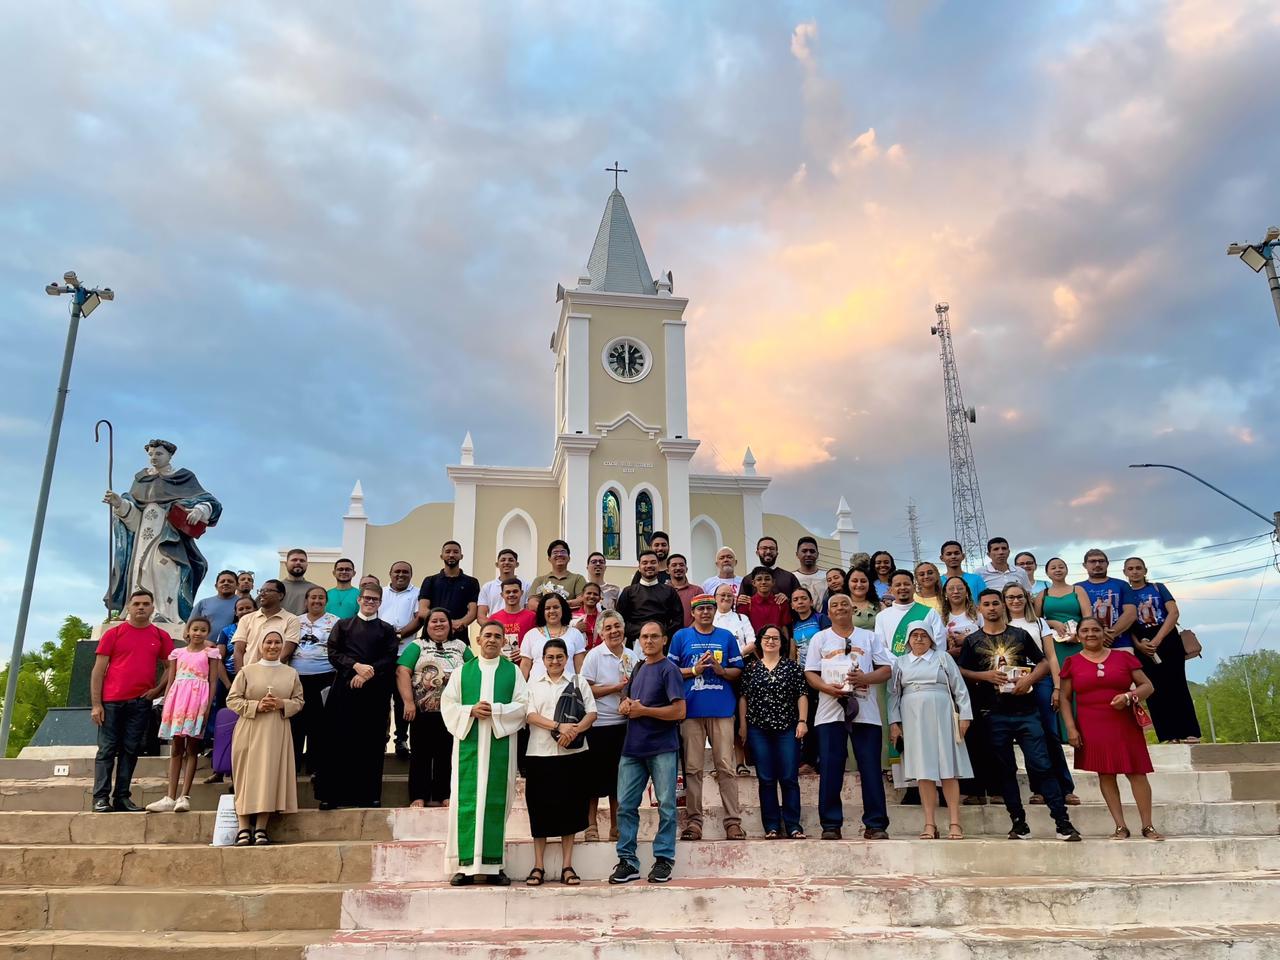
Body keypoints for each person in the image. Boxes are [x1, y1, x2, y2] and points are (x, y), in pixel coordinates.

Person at [957, 590, 1081, 841]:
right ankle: (1018, 823)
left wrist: (1030, 680)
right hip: (993, 714)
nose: (991, 608)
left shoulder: (1020, 634)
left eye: (995, 603)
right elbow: (961, 670)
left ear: (1003, 606)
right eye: (986, 604)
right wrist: (985, 676)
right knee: (1005, 770)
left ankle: (1062, 822)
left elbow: (1044, 662)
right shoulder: (972, 641)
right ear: (979, 609)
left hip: (1026, 711)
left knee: (1042, 765)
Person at [442, 620, 529, 886]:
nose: (492, 640)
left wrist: (496, 711)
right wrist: (470, 711)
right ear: (478, 640)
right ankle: (463, 865)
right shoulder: (461, 672)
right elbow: (448, 704)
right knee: (465, 803)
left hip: (499, 745)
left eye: (497, 636)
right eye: (487, 635)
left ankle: (493, 866)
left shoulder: (513, 672)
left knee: (495, 803)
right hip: (468, 746)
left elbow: (524, 705)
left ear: (504, 641)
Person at [1060, 617, 1163, 840]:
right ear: (1078, 635)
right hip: (1091, 724)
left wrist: (1129, 696)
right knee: (1105, 773)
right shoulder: (1071, 662)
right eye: (1085, 630)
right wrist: (1071, 728)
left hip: (1123, 722)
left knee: (1137, 772)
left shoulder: (1123, 657)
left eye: (1095, 630)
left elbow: (1148, 686)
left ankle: (1148, 826)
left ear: (1103, 633)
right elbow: (1065, 698)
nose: (1090, 634)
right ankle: (1120, 826)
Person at [804, 593, 894, 840]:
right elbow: (810, 673)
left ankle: (876, 824)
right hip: (829, 712)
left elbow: (886, 669)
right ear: (828, 612)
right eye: (834, 605)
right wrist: (826, 687)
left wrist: (864, 678)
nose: (840, 608)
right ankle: (831, 825)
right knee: (831, 768)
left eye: (844, 603)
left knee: (870, 768)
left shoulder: (869, 637)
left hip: (866, 712)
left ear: (852, 608)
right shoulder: (819, 638)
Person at [103, 438, 222, 624]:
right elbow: (133, 517)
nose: (153, 457)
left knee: (165, 568)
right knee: (139, 569)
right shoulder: (141, 478)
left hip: (169, 536)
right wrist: (120, 504)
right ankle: (134, 613)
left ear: (169, 455)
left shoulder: (183, 477)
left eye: (158, 454)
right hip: (142, 536)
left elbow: (208, 501)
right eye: (151, 454)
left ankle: (166, 612)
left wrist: (200, 510)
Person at [610, 621, 687, 885]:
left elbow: (679, 712)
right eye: (644, 637)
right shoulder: (640, 667)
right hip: (633, 748)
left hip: (663, 747)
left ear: (664, 640)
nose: (649, 641)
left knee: (666, 806)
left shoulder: (670, 670)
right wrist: (624, 704)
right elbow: (626, 694)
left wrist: (645, 711)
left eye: (655, 636)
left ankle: (664, 858)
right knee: (626, 806)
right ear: (639, 641)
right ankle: (627, 861)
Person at [314, 584, 399, 809]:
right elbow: (333, 653)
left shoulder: (387, 629)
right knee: (338, 740)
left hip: (375, 692)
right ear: (359, 600)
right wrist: (355, 667)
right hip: (344, 689)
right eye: (367, 598)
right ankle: (332, 795)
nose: (370, 602)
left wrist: (368, 672)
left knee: (370, 742)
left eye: (375, 599)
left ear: (380, 603)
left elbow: (390, 657)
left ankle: (368, 795)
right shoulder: (343, 626)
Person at [669, 594, 746, 841]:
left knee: (726, 767)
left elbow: (738, 671)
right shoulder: (681, 637)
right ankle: (694, 823)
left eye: (709, 608)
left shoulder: (725, 636)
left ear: (715, 611)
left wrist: (722, 671)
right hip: (691, 711)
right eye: (700, 608)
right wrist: (695, 670)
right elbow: (671, 672)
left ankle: (733, 822)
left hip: (722, 709)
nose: (705, 612)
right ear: (693, 612)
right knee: (692, 769)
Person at [888, 622, 973, 840]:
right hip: (913, 718)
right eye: (914, 635)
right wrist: (895, 722)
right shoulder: (900, 663)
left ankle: (955, 823)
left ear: (931, 639)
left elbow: (959, 688)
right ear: (908, 640)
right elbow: (893, 695)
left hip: (942, 715)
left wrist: (965, 716)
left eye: (923, 635)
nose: (918, 639)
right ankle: (929, 824)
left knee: (948, 768)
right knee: (923, 771)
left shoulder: (943, 658)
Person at [523, 638, 597, 886]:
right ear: (542, 660)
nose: (555, 661)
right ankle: (538, 866)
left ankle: (567, 866)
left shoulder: (579, 682)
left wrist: (573, 732)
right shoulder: (533, 685)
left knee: (571, 808)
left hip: (574, 754)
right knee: (540, 809)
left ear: (566, 658)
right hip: (540, 754)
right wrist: (558, 726)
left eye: (559, 657)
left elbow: (591, 713)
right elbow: (530, 715)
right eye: (550, 657)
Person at [90, 589, 171, 813]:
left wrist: (157, 690)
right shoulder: (113, 634)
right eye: (136, 604)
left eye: (146, 603)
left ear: (153, 608)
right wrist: (96, 704)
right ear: (129, 607)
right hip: (111, 702)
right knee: (106, 750)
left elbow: (170, 667)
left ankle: (122, 797)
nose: (141, 607)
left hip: (140, 703)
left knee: (131, 750)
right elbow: (98, 671)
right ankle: (100, 797)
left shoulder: (160, 636)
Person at [1002, 583, 1078, 806]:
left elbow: (1051, 656)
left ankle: (1065, 787)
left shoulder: (1038, 622)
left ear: (1026, 598)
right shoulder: (1002, 624)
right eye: (1010, 597)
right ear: (1004, 600)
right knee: (1028, 736)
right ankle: (1040, 789)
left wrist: (1057, 687)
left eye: (1019, 597)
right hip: (1013, 681)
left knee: (1049, 734)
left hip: (1041, 679)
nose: (1015, 601)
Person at [226, 629, 304, 845]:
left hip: (277, 730)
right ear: (260, 645)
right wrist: (256, 705)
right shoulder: (247, 671)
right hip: (250, 728)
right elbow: (232, 700)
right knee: (246, 776)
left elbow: (299, 702)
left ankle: (261, 828)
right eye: (268, 642)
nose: (272, 646)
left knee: (269, 777)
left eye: (277, 642)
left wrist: (282, 704)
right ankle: (243, 827)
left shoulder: (291, 674)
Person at [146, 616, 225, 813]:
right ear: (187, 632)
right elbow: (171, 681)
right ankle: (170, 796)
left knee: (192, 748)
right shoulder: (176, 653)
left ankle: (184, 795)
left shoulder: (211, 653)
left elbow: (213, 681)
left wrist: (207, 706)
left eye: (203, 630)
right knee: (176, 748)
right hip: (177, 701)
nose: (198, 633)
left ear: (207, 633)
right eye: (195, 629)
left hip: (197, 700)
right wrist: (166, 704)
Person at [397, 608, 474, 807]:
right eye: (434, 621)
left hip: (453, 711)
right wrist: (408, 702)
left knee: (447, 753)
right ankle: (418, 796)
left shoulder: (460, 645)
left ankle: (445, 795)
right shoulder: (418, 645)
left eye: (443, 621)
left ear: (450, 625)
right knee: (420, 754)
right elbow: (402, 671)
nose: (439, 624)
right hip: (422, 711)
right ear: (426, 625)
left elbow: (475, 671)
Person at [738, 624, 809, 839]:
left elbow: (802, 694)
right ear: (759, 642)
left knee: (788, 777)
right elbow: (743, 698)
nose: (770, 641)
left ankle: (793, 825)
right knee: (766, 778)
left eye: (775, 638)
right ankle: (771, 826)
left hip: (787, 728)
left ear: (781, 642)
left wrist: (802, 721)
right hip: (758, 729)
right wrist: (743, 725)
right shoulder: (750, 669)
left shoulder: (792, 667)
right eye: (766, 638)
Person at [1123, 557, 1201, 743]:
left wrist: (1158, 639)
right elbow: (1126, 621)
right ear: (1125, 572)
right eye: (1131, 569)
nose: (1135, 572)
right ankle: (1168, 734)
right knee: (1153, 688)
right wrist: (1138, 644)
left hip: (1167, 637)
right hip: (1141, 640)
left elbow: (1173, 613)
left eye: (1138, 568)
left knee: (1177, 684)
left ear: (1145, 570)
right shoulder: (1125, 593)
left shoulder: (1158, 588)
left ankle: (1189, 731)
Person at [580, 610, 632, 842]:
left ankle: (616, 826)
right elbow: (585, 689)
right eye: (608, 628)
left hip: (624, 725)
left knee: (618, 780)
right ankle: (591, 826)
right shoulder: (594, 655)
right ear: (600, 633)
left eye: (617, 626)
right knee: (592, 779)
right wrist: (615, 688)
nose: (613, 631)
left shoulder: (631, 655)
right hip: (598, 724)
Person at [206, 594, 256, 784]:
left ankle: (243, 772)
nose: (244, 611)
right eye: (241, 609)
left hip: (252, 681)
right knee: (224, 725)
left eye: (248, 608)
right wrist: (228, 684)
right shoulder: (226, 631)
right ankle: (219, 768)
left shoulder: (260, 629)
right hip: (229, 680)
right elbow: (219, 658)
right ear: (235, 612)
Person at [290, 586, 338, 775]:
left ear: (326, 601)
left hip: (325, 676)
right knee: (296, 722)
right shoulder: (295, 621)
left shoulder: (335, 622)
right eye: (313, 597)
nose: (317, 601)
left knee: (319, 723)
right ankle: (292, 766)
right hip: (297, 678)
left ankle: (315, 767)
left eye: (321, 598)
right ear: (306, 601)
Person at [382, 561, 422, 761]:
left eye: (405, 572)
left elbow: (419, 618)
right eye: (396, 571)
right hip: (381, 653)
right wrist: (386, 637)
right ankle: (382, 737)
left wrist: (398, 635)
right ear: (390, 573)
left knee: (403, 699)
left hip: (406, 652)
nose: (400, 575)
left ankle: (401, 740)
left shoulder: (417, 593)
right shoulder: (381, 593)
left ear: (411, 575)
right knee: (381, 699)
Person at [418, 541, 481, 645]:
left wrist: (460, 623)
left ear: (461, 556)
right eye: (447, 552)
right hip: (431, 639)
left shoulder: (471, 582)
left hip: (459, 638)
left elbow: (472, 612)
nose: (451, 555)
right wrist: (446, 624)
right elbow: (423, 610)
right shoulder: (430, 580)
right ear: (441, 556)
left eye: (455, 552)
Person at [615, 551, 684, 646]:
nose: (649, 565)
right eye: (645, 563)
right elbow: (620, 620)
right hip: (635, 643)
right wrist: (642, 632)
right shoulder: (628, 591)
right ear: (639, 568)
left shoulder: (670, 591)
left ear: (658, 566)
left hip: (663, 644)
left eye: (653, 562)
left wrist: (660, 634)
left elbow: (678, 620)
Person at [231, 580, 300, 672]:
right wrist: (241, 676)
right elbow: (238, 651)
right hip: (248, 675)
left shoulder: (291, 620)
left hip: (275, 675)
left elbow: (286, 653)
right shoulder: (246, 619)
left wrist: (266, 674)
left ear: (280, 595)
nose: (262, 594)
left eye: (268, 591)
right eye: (261, 591)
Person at [876, 570, 944, 659]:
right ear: (890, 589)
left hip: (926, 667)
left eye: (906, 584)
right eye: (898, 585)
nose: (903, 587)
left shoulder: (930, 613)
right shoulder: (882, 616)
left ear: (914, 587)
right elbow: (881, 647)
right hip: (894, 668)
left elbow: (940, 644)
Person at [1037, 558, 1093, 668]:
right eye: (1053, 568)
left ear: (1066, 570)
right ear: (1047, 573)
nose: (1058, 570)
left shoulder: (1078, 590)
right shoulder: (1042, 594)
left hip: (1079, 639)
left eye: (1061, 567)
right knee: (1060, 674)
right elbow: (1035, 621)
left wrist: (1077, 635)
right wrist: (1052, 623)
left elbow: (1088, 617)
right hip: (1054, 642)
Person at [1077, 549, 1138, 648]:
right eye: (1092, 561)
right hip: (1088, 648)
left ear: (1107, 564)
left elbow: (1131, 614)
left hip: (1121, 645)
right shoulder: (1076, 588)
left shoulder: (1121, 585)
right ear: (1085, 565)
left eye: (1101, 561)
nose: (1097, 564)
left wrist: (1108, 635)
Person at [520, 593, 587, 680]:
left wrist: (581, 689)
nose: (552, 611)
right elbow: (525, 665)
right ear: (542, 611)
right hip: (536, 689)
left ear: (563, 609)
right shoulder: (531, 634)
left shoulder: (575, 634)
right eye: (547, 608)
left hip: (568, 689)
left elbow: (580, 667)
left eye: (556, 607)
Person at [737, 536, 800, 601]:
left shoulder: (789, 577)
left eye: (772, 548)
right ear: (757, 553)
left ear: (777, 553)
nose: (768, 552)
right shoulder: (748, 579)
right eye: (764, 548)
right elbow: (741, 606)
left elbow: (800, 602)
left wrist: (788, 600)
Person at [529, 540, 588, 608]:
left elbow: (582, 600)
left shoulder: (578, 578)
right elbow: (532, 603)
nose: (559, 554)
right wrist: (550, 609)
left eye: (563, 552)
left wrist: (558, 605)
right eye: (555, 552)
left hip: (572, 618)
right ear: (549, 559)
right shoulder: (540, 580)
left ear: (569, 558)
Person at [489, 578, 536, 660]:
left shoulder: (532, 616)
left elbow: (537, 641)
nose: (511, 595)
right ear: (502, 595)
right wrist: (498, 652)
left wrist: (524, 652)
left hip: (525, 664)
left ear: (521, 593)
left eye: (515, 591)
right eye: (507, 592)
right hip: (501, 663)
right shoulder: (494, 618)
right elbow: (488, 640)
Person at [476, 549, 528, 620]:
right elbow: (481, 616)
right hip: (495, 628)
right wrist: (493, 628)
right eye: (503, 560)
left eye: (510, 560)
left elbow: (529, 611)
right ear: (497, 564)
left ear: (517, 564)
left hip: (520, 628)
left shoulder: (526, 586)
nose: (506, 562)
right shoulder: (487, 587)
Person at [191, 570, 240, 642]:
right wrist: (204, 643)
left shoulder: (243, 604)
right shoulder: (203, 603)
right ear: (216, 586)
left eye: (230, 581)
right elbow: (188, 631)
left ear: (237, 585)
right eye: (222, 581)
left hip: (232, 650)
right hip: (204, 649)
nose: (226, 583)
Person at [742, 566, 791, 635]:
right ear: (753, 583)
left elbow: (784, 628)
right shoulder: (746, 604)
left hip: (777, 644)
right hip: (754, 644)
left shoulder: (780, 602)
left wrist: (785, 645)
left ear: (773, 582)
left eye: (767, 579)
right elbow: (743, 629)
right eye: (759, 579)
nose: (763, 582)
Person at [942, 576, 980, 658]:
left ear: (966, 592)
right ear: (945, 593)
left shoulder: (979, 614)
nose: (956, 591)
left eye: (960, 588)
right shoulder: (940, 618)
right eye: (951, 589)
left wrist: (967, 640)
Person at [281, 549, 321, 615]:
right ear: (286, 564)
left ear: (306, 565)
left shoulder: (315, 589)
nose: (298, 562)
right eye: (294, 560)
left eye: (302, 560)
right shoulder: (276, 588)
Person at [666, 554, 700, 629]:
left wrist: (686, 632)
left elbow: (701, 615)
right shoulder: (662, 591)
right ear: (667, 570)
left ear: (686, 569)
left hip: (691, 636)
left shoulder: (697, 591)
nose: (678, 568)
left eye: (681, 565)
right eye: (674, 565)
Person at [793, 536, 827, 609]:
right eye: (804, 551)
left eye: (812, 551)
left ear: (817, 554)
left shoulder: (828, 577)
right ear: (797, 554)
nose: (808, 554)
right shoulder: (791, 577)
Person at [572, 582, 604, 647]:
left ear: (599, 598)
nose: (592, 596)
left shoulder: (604, 618)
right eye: (589, 593)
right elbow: (564, 639)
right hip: (578, 655)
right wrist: (575, 630)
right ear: (582, 596)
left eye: (595, 594)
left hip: (598, 655)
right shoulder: (571, 617)